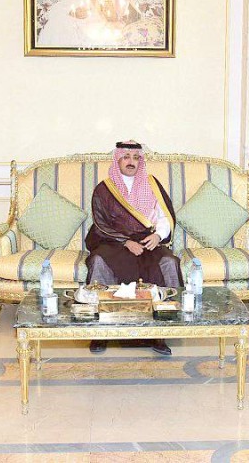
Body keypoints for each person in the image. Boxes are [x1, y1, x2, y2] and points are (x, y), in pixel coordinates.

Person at [86, 141, 182, 355]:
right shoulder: (104, 189)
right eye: (126, 157)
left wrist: (158, 236)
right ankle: (99, 332)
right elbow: (100, 224)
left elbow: (164, 216)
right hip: (113, 241)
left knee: (169, 262)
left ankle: (160, 331)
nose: (131, 162)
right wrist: (125, 242)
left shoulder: (152, 184)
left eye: (136, 158)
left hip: (147, 241)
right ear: (118, 160)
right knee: (98, 261)